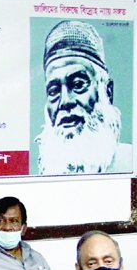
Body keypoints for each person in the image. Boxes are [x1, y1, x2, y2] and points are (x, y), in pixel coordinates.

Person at [35, 20, 132, 174]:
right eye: (54, 91)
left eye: (78, 84)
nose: (65, 101)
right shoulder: (47, 172)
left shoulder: (130, 162)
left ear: (107, 92)